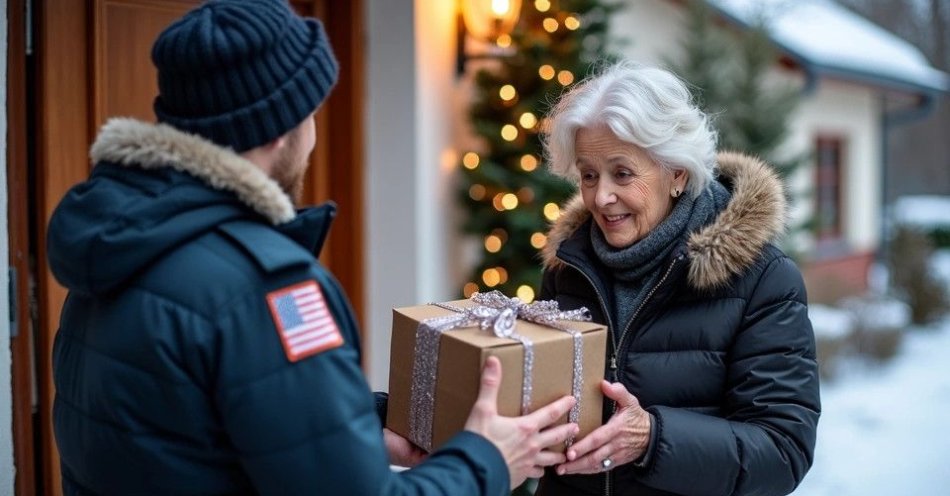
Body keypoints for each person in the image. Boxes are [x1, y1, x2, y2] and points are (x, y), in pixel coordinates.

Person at [46, 1, 578, 494]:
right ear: (280, 130)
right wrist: (486, 459)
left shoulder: (118, 246)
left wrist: (363, 429)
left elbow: (197, 432)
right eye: (312, 111)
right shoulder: (266, 287)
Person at [534, 61, 821, 495]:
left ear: (677, 172)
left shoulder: (763, 280)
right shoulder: (568, 269)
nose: (600, 196)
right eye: (589, 175)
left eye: (622, 173)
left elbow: (783, 451)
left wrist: (653, 438)